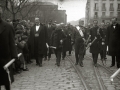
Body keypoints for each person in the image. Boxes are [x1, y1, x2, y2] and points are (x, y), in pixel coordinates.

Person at [0, 6, 17, 90]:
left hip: (5, 59)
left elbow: (12, 42)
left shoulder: (8, 26)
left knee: (7, 82)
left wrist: (14, 56)